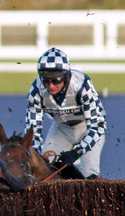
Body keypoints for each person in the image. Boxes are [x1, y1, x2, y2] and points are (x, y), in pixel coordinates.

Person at [24, 47, 106, 179]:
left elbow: (97, 126)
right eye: (46, 80)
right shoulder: (36, 90)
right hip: (61, 128)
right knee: (46, 170)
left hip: (88, 128)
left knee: (89, 175)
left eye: (56, 80)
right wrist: (37, 155)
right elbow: (33, 130)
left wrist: (77, 152)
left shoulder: (81, 85)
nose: (50, 86)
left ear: (66, 76)